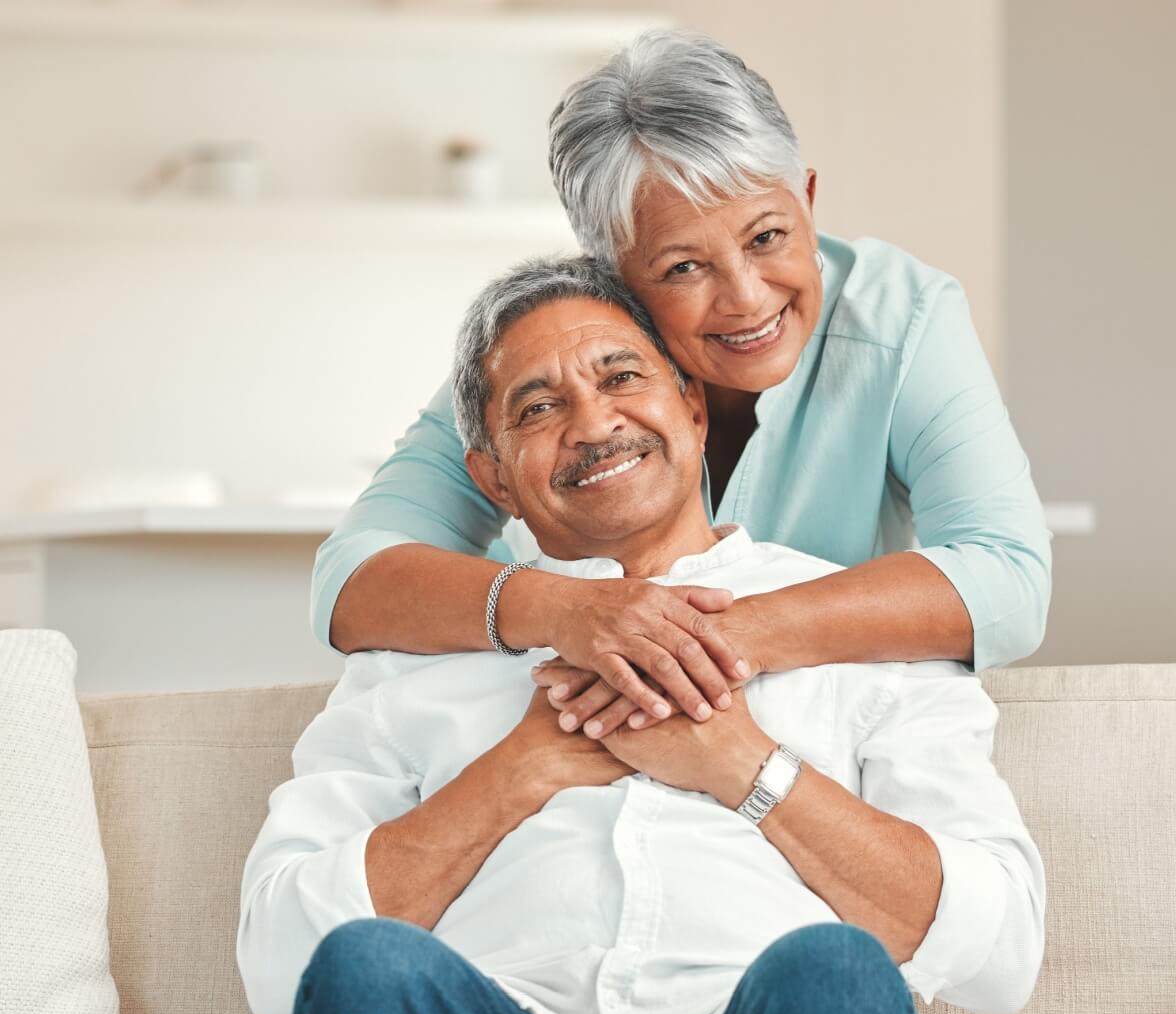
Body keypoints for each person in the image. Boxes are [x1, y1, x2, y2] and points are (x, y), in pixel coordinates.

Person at [240, 255, 1047, 1014]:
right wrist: (517, 771)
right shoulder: (414, 653)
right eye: (539, 404)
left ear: (690, 404)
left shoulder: (857, 627)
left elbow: (1001, 951)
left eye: (622, 376)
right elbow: (278, 962)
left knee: (833, 970)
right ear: (489, 475)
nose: (591, 420)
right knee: (369, 964)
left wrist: (745, 769)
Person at [310, 29, 1052, 747]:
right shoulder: (551, 344)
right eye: (682, 268)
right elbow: (350, 582)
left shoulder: (905, 316)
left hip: (816, 739)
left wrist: (704, 639)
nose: (746, 298)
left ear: (808, 199)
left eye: (767, 237)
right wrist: (571, 613)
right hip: (582, 734)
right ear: (608, 272)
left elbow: (1008, 579)